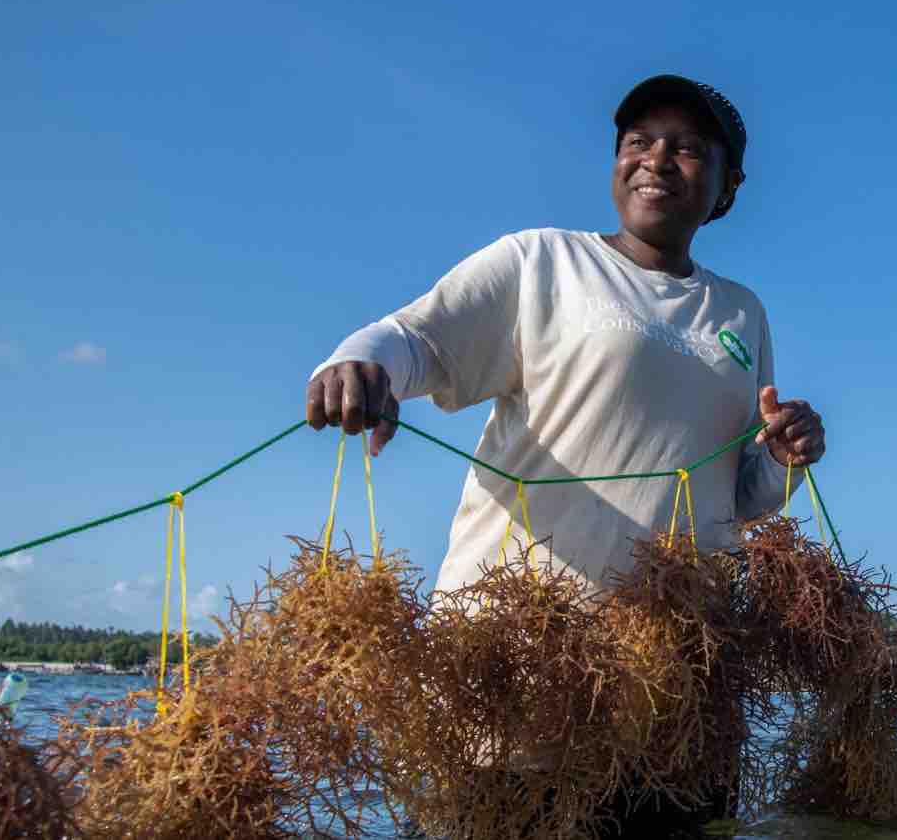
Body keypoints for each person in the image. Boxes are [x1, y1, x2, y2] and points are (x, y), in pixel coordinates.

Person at [304, 74, 825, 834]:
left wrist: (786, 454)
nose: (656, 160)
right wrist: (357, 363)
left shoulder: (742, 312)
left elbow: (737, 494)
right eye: (638, 142)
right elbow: (416, 338)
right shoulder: (543, 261)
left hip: (675, 696)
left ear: (727, 186)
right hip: (517, 676)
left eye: (686, 148)